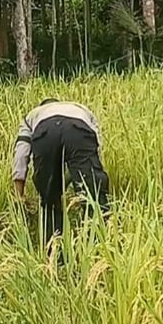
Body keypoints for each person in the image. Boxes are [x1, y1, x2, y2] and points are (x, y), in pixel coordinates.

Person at [12, 98, 110, 248]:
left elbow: (21, 155)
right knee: (94, 196)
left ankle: (55, 253)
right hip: (78, 128)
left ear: (42, 106)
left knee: (49, 201)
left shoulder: (31, 116)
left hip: (45, 132)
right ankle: (99, 248)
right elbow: (95, 148)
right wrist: (89, 178)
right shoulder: (82, 109)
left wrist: (19, 196)